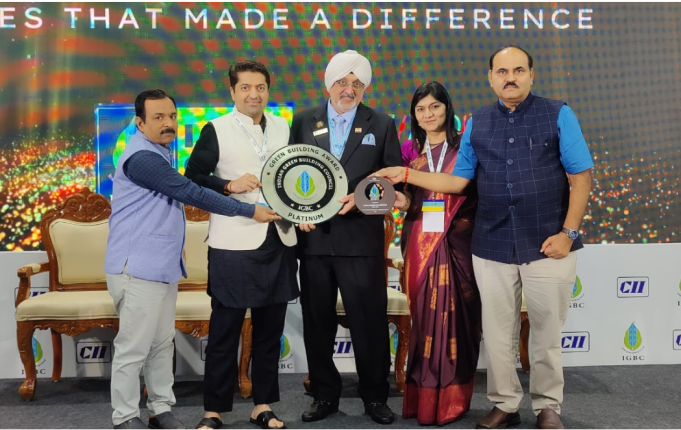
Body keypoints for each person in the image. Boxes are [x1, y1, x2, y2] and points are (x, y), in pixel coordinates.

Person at [375, 46, 594, 430]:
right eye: (502, 72)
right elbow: (458, 182)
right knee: (496, 333)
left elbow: (581, 177)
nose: (510, 78)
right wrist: (406, 175)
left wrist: (568, 233)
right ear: (491, 78)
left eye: (518, 70)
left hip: (547, 245)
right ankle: (505, 404)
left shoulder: (559, 113)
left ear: (531, 74)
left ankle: (547, 406)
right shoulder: (478, 122)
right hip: (491, 245)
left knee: (545, 332)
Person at [105, 89, 279, 429]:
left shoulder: (159, 151)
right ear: (139, 123)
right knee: (133, 347)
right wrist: (249, 211)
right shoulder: (142, 158)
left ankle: (160, 409)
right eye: (158, 117)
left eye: (172, 116)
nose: (168, 123)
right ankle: (124, 417)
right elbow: (191, 192)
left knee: (160, 344)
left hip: (161, 266)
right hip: (137, 267)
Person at [288, 50, 403, 425]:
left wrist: (362, 198)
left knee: (369, 323)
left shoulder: (382, 123)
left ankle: (375, 396)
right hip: (314, 242)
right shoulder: (303, 120)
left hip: (361, 240)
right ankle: (324, 395)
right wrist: (298, 213)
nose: (348, 89)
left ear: (365, 87)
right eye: (341, 81)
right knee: (317, 322)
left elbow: (391, 184)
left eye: (356, 83)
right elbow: (289, 173)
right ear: (328, 84)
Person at [184, 61, 298, 430]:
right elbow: (193, 176)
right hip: (232, 242)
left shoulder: (283, 127)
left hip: (278, 238)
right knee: (224, 331)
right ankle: (213, 411)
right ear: (232, 91)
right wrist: (228, 185)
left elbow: (296, 177)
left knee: (269, 332)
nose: (254, 94)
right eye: (245, 87)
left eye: (260, 87)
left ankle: (262, 405)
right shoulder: (216, 129)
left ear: (268, 90)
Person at [398, 82, 482, 425]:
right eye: (420, 109)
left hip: (460, 241)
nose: (428, 114)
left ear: (447, 108)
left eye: (434, 106)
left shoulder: (466, 146)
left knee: (458, 319)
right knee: (424, 321)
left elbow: (471, 189)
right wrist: (399, 200)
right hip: (420, 242)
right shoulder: (409, 150)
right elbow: (408, 197)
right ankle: (423, 397)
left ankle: (453, 398)